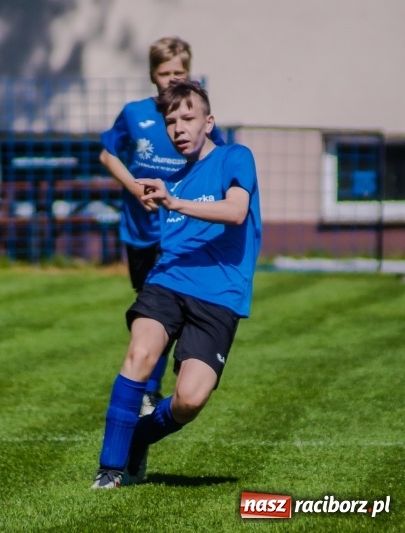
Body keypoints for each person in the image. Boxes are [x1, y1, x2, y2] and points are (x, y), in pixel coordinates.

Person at [91, 79, 262, 488]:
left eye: (188, 118)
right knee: (140, 352)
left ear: (209, 121)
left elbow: (237, 211)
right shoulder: (173, 180)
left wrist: (174, 202)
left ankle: (136, 440)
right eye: (171, 121)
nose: (178, 128)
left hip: (220, 295)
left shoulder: (235, 157)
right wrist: (152, 194)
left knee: (189, 400)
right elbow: (115, 163)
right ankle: (109, 470)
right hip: (167, 282)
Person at [99, 37, 223, 416]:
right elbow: (108, 154)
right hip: (141, 230)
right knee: (149, 314)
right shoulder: (135, 114)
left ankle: (150, 389)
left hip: (180, 230)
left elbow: (213, 162)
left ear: (189, 72)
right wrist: (134, 188)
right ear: (153, 74)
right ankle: (150, 386)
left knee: (172, 306)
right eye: (164, 73)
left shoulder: (193, 118)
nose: (171, 80)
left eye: (179, 72)